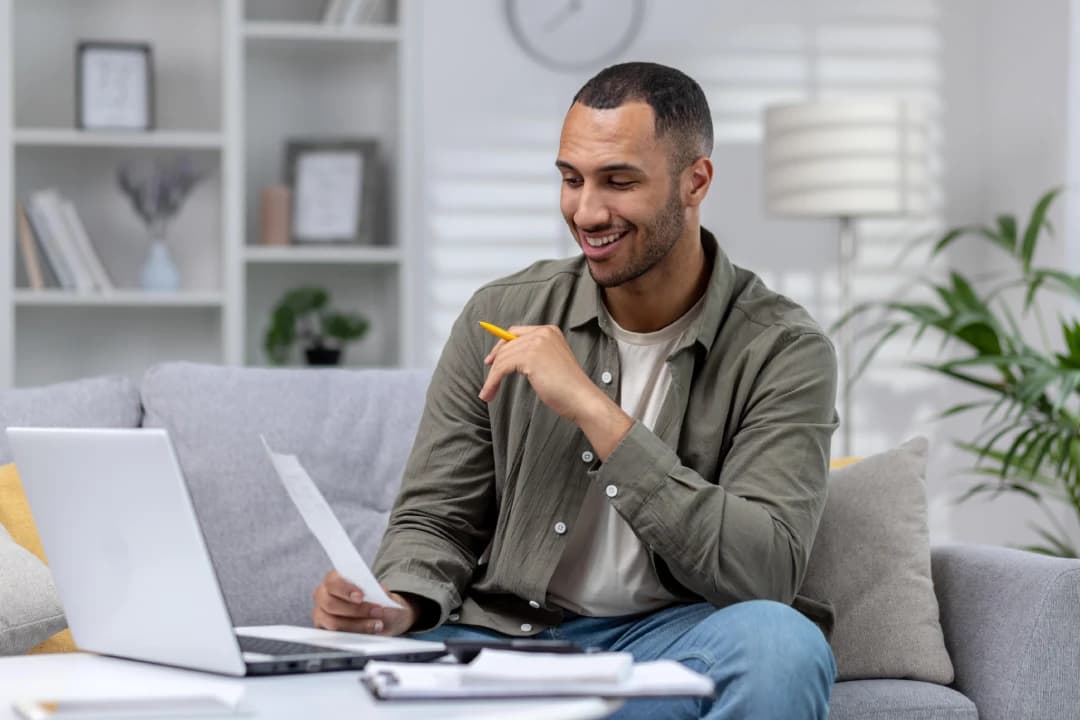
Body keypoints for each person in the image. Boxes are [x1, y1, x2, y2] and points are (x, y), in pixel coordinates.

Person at [313, 61, 839, 719]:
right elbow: (435, 520)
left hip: (670, 642)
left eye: (619, 181)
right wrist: (396, 603)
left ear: (695, 181)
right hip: (507, 639)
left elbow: (765, 573)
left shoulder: (783, 349)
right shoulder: (499, 313)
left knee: (780, 644)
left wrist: (593, 408)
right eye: (571, 180)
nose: (587, 211)